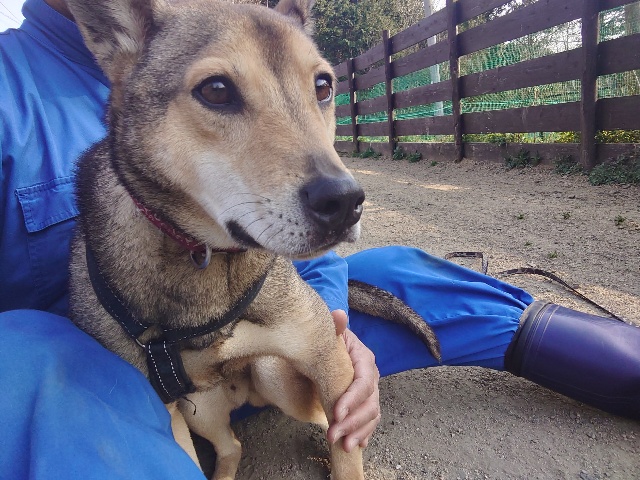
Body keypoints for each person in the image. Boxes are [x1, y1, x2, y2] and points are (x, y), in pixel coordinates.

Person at [1, 0, 638, 478]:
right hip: (105, 395)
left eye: (322, 88)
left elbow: (309, 263)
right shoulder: (14, 89)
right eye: (219, 91)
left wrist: (333, 324)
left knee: (401, 274)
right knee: (30, 349)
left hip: (264, 346)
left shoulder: (233, 30)